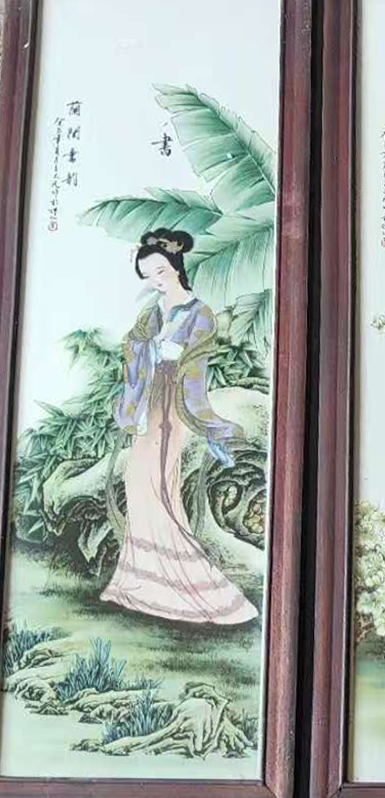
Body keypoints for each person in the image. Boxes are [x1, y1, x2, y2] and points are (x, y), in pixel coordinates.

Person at [103, 229, 258, 624]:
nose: (156, 281)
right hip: (147, 401)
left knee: (158, 485)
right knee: (137, 482)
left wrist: (172, 353)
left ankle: (181, 581)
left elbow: (195, 368)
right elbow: (132, 345)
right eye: (148, 275)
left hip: (174, 404)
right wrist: (150, 349)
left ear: (175, 266)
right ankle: (140, 580)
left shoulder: (200, 313)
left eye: (160, 271)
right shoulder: (152, 312)